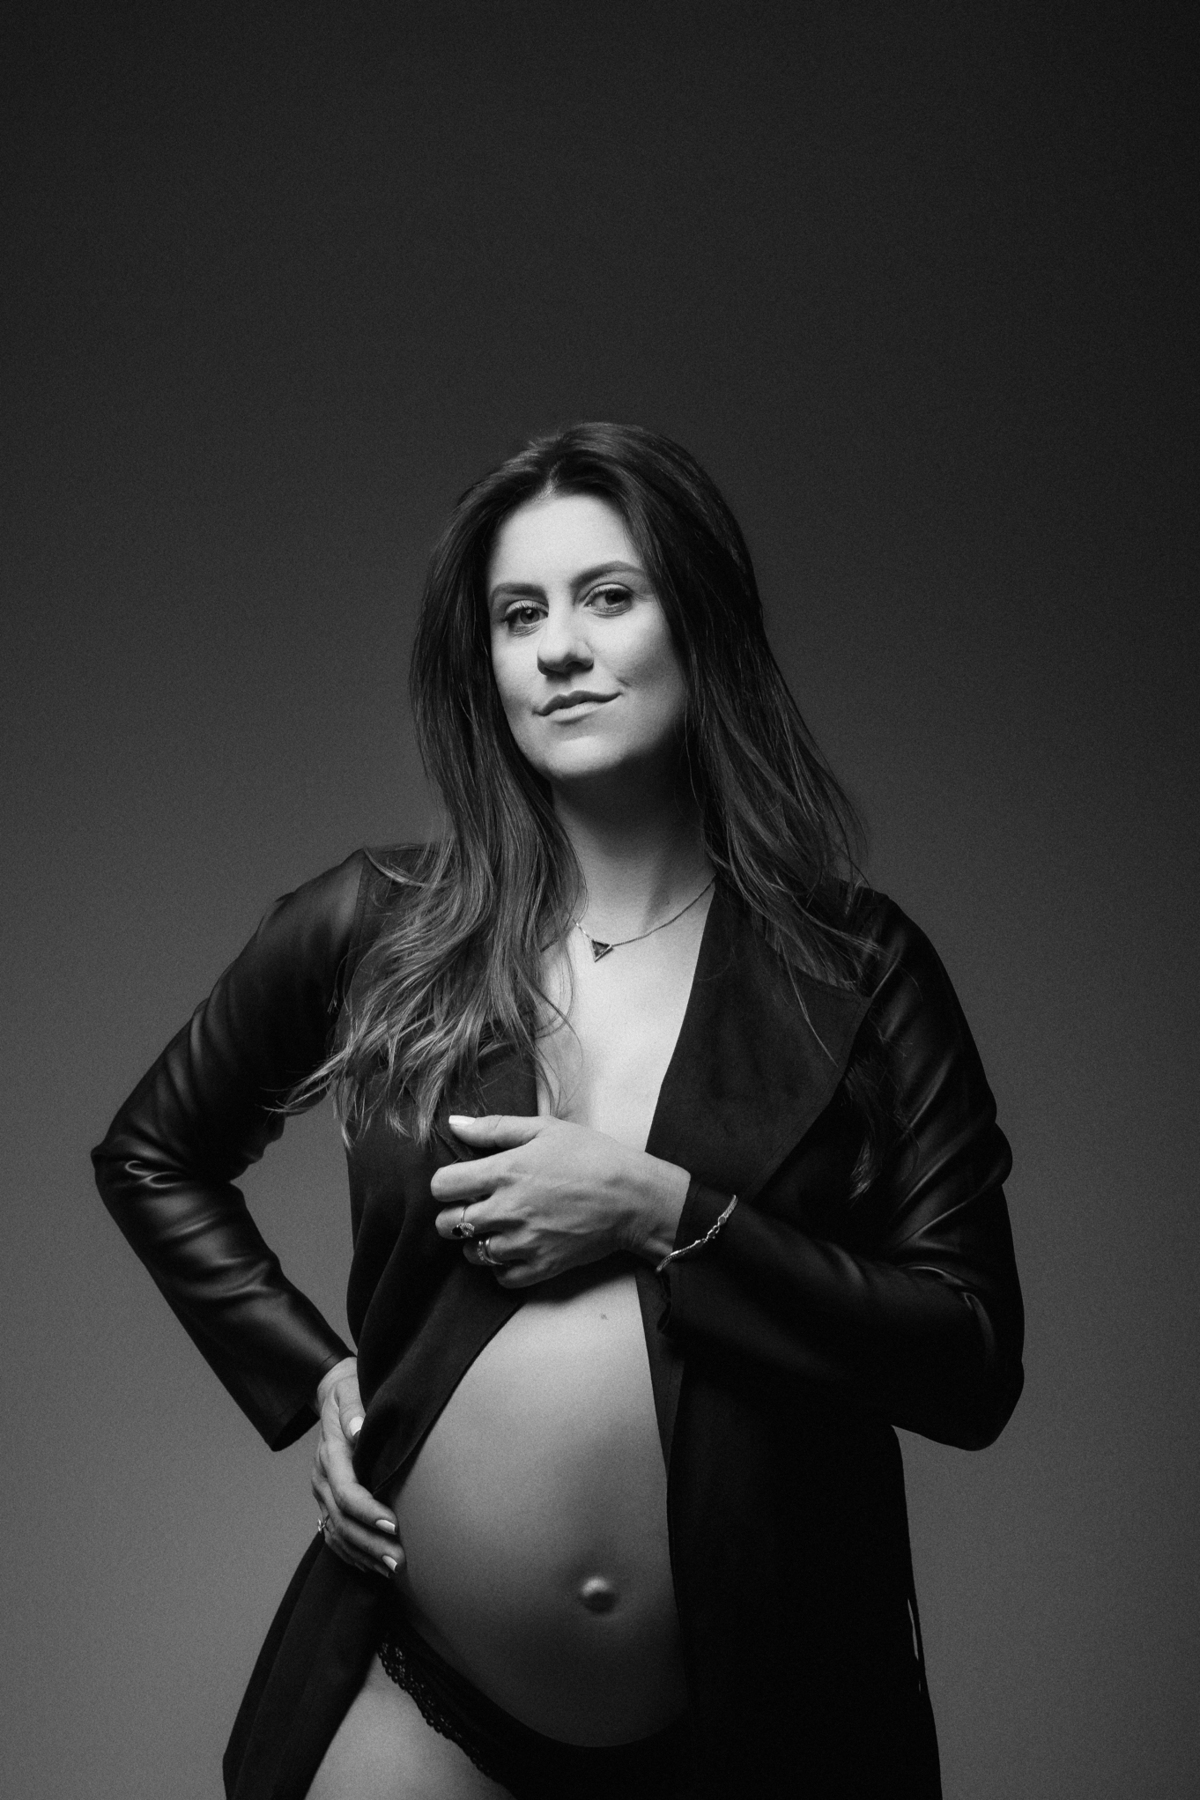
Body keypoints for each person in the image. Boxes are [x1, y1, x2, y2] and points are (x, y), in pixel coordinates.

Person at [92, 421, 1024, 1800]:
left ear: (697, 621)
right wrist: (312, 1376)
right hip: (425, 1694)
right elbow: (152, 1154)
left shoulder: (859, 970)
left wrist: (666, 1213)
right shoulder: (377, 926)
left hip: (771, 1710)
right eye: (519, 615)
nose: (560, 650)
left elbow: (971, 1359)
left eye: (607, 595)